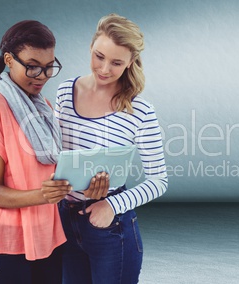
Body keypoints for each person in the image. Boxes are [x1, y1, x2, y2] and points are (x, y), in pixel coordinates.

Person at [0, 20, 108, 284]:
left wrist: (91, 183)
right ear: (9, 60)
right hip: (8, 242)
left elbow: (57, 171)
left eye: (49, 67)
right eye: (33, 66)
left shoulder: (45, 106)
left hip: (49, 235)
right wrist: (43, 195)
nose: (42, 76)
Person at [56, 13, 168, 284]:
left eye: (117, 62)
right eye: (99, 56)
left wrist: (110, 204)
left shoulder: (140, 109)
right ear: (91, 48)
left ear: (131, 62)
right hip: (62, 222)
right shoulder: (64, 93)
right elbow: (57, 159)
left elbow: (159, 180)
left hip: (110, 227)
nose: (104, 68)